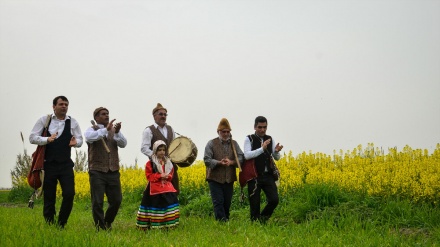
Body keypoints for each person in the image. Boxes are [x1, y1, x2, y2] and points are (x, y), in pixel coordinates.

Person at [29, 96, 83, 228]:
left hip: (65, 165)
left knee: (69, 194)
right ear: (54, 106)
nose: (64, 106)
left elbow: (80, 140)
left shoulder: (73, 122)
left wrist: (76, 143)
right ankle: (49, 223)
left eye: (66, 104)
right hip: (48, 165)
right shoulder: (44, 120)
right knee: (49, 197)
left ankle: (61, 223)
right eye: (61, 104)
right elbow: (32, 137)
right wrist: (47, 140)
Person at [84, 107, 127, 230]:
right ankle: (100, 227)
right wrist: (104, 131)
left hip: (113, 170)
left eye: (107, 114)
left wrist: (117, 132)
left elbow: (123, 144)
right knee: (97, 202)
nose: (106, 116)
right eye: (103, 114)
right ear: (96, 117)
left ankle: (107, 221)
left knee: (117, 200)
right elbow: (89, 138)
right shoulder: (91, 130)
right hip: (97, 170)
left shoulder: (114, 130)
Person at [243, 116, 283, 223]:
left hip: (268, 175)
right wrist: (262, 149)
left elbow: (277, 158)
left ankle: (262, 220)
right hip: (254, 176)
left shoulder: (270, 138)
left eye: (264, 127)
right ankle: (255, 224)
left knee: (274, 200)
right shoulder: (249, 139)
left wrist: (276, 151)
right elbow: (247, 155)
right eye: (260, 127)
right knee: (254, 204)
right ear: (255, 127)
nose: (262, 130)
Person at [204, 118, 244, 222]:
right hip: (214, 178)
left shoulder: (234, 144)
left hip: (229, 178)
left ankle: (226, 221)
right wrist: (219, 162)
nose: (226, 134)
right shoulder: (211, 143)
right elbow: (207, 160)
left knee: (227, 202)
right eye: (223, 132)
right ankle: (222, 223)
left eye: (228, 132)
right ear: (218, 132)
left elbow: (241, 158)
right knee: (218, 202)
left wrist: (231, 162)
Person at [136, 140, 180, 229]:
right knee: (156, 205)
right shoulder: (151, 163)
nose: (162, 152)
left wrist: (167, 176)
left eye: (164, 150)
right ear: (155, 151)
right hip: (154, 188)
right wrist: (160, 176)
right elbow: (149, 176)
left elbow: (171, 173)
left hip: (167, 187)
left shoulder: (168, 162)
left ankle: (169, 224)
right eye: (160, 150)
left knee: (169, 204)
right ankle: (155, 225)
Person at [140, 103, 180, 194]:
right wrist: (156, 157)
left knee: (174, 191)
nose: (163, 116)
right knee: (158, 193)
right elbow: (144, 148)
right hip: (156, 167)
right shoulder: (148, 130)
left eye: (165, 114)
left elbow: (173, 146)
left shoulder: (171, 129)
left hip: (171, 166)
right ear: (154, 116)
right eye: (161, 114)